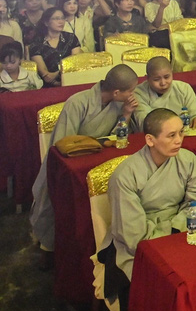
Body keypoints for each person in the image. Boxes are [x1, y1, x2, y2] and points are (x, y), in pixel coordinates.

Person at [31, 64, 140, 253]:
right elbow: (62, 145)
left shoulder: (118, 104)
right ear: (116, 92)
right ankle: (51, 248)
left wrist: (127, 114)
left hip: (101, 159)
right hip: (72, 163)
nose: (132, 95)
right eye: (130, 91)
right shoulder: (77, 103)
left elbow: (117, 137)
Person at [104, 108, 196, 281]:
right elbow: (132, 232)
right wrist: (169, 238)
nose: (179, 140)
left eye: (181, 132)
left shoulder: (188, 160)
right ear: (150, 140)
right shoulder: (125, 175)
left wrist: (178, 231)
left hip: (186, 233)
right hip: (141, 247)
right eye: (171, 135)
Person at [134, 56, 196, 128]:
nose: (163, 83)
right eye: (156, 79)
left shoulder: (183, 88)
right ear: (148, 78)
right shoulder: (139, 93)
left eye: (166, 77)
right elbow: (146, 124)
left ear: (172, 73)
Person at [29, 7, 82, 86]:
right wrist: (57, 83)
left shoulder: (71, 38)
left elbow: (75, 63)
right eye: (56, 19)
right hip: (48, 86)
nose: (61, 22)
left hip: (72, 81)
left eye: (62, 18)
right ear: (46, 22)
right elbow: (46, 75)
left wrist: (56, 74)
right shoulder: (37, 43)